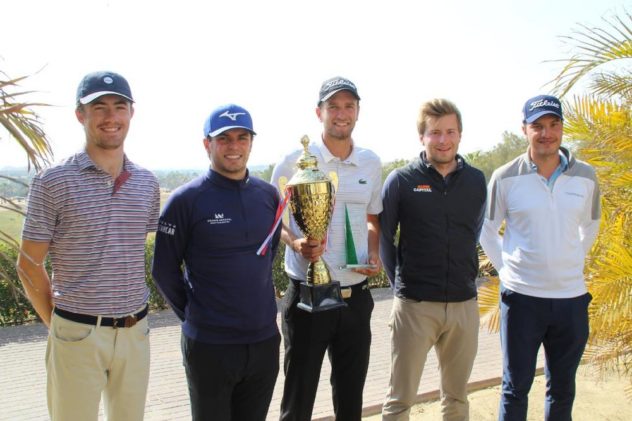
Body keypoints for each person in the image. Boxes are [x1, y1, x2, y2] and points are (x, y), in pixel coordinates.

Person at [16, 71, 160, 421]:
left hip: (135, 333)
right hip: (76, 334)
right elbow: (28, 264)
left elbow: (129, 251)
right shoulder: (53, 181)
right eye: (99, 107)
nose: (111, 117)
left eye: (119, 106)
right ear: (80, 114)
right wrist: (58, 325)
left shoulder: (146, 183)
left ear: (131, 113)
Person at [151, 104, 281, 421]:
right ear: (207, 144)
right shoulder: (185, 200)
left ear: (251, 142)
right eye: (224, 138)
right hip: (210, 346)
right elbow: (163, 271)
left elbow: (268, 254)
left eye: (242, 137)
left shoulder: (268, 195)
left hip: (264, 342)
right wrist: (196, 315)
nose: (234, 146)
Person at [480, 95, 601, 421]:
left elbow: (591, 224)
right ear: (525, 129)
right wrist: (507, 271)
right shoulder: (505, 176)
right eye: (538, 126)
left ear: (561, 127)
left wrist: (571, 259)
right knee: (515, 388)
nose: (546, 133)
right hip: (522, 300)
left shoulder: (586, 176)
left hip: (571, 300)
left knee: (562, 390)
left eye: (553, 124)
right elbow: (487, 229)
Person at [271, 76, 383, 421]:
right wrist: (296, 243)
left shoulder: (370, 162)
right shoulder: (293, 162)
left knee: (350, 400)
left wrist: (373, 252)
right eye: (333, 106)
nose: (341, 113)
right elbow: (275, 220)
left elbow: (372, 219)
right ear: (318, 112)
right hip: (308, 296)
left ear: (358, 111)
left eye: (349, 106)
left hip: (355, 297)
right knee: (298, 400)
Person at [379, 98, 487, 421]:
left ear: (460, 134)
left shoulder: (476, 181)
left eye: (450, 132)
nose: (443, 140)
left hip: (464, 306)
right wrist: (400, 287)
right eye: (435, 132)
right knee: (399, 400)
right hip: (415, 307)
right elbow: (385, 239)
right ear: (422, 137)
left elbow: (474, 231)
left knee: (457, 398)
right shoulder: (401, 180)